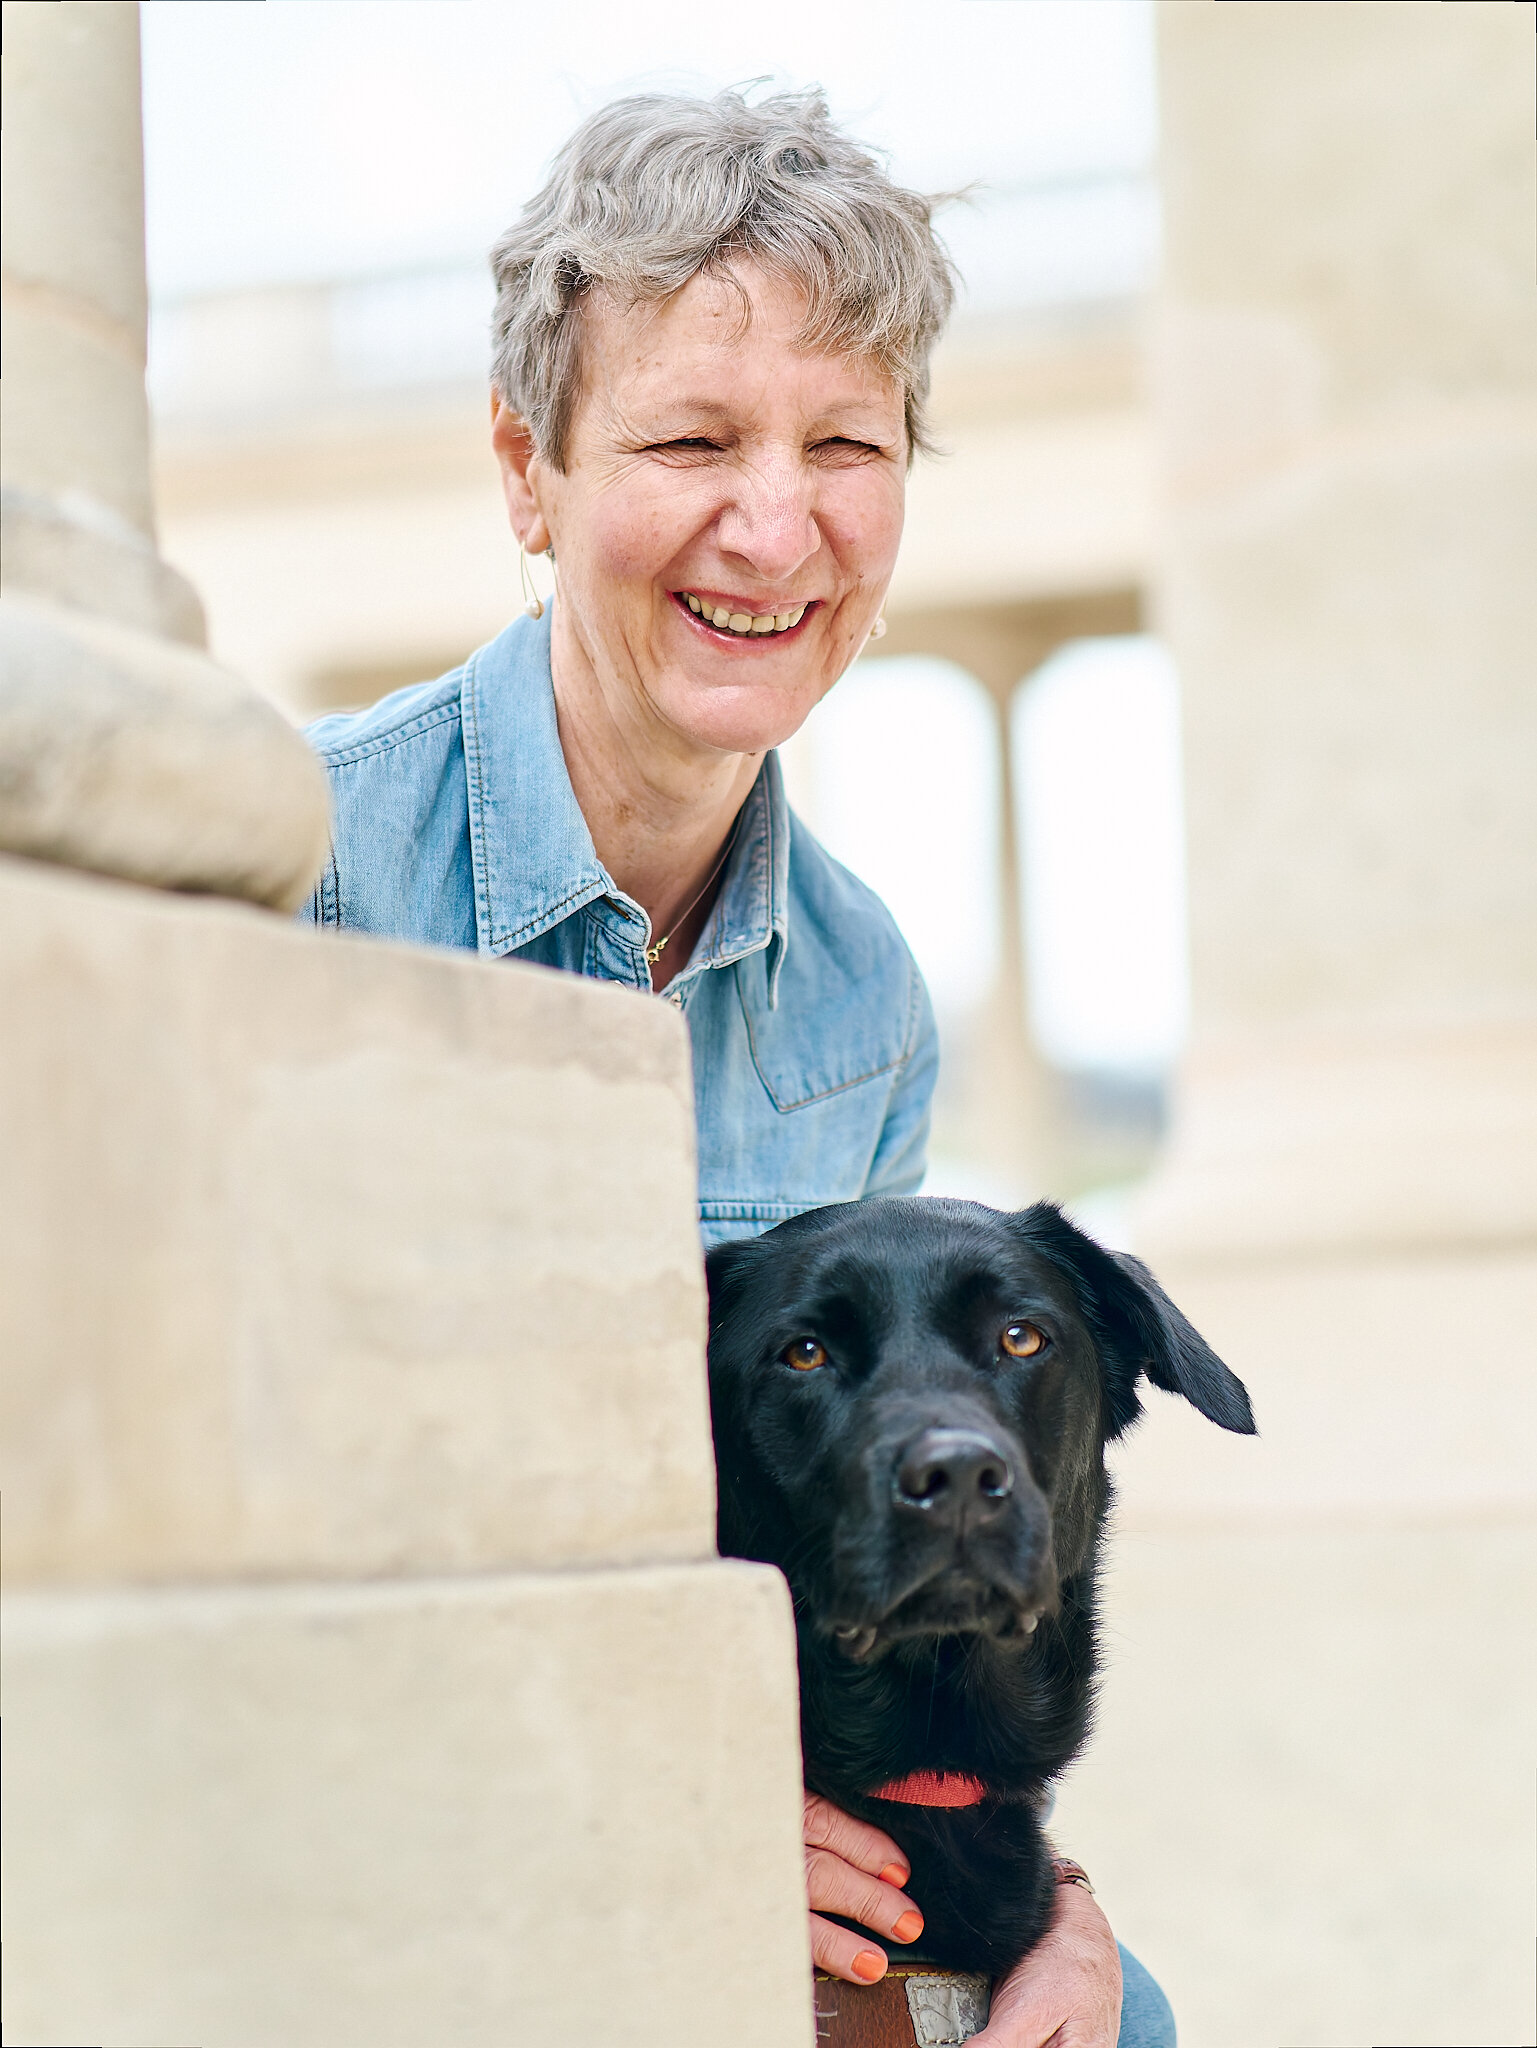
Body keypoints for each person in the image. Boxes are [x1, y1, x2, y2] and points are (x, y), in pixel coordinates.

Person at [299, 87, 1174, 2048]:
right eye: (691, 439)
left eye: (843, 446)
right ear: (527, 469)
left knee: (1107, 2024)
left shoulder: (863, 994)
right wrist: (638, 1797)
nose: (773, 525)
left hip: (749, 1795)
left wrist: (1032, 1894)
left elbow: (839, 1543)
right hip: (378, 1791)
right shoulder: (308, 877)